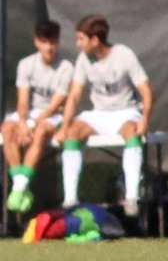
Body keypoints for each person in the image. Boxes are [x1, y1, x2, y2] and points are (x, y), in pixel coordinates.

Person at [56, 15, 153, 215]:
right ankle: (70, 200)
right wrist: (65, 127)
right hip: (99, 114)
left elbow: (146, 92)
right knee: (72, 133)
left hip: (126, 112)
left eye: (81, 39)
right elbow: (74, 96)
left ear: (95, 40)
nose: (77, 44)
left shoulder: (124, 55)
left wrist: (144, 120)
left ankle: (132, 198)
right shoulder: (83, 59)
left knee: (132, 134)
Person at [5, 20, 73, 213]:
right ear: (37, 42)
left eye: (53, 42)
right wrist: (23, 123)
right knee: (7, 129)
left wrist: (34, 124)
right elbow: (23, 100)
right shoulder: (26, 64)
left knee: (41, 130)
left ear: (58, 42)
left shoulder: (66, 67)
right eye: (45, 42)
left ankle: (18, 188)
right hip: (31, 115)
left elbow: (55, 105)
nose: (49, 47)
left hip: (54, 117)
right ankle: (21, 185)